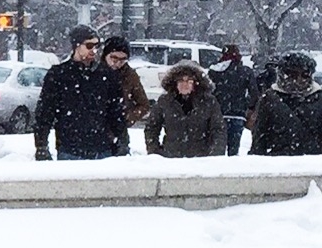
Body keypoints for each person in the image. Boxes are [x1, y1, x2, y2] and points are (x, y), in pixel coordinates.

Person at [34, 25, 127, 161]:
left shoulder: (107, 75)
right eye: (89, 45)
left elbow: (116, 112)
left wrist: (123, 141)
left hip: (102, 147)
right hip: (70, 148)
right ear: (76, 46)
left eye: (97, 46)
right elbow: (45, 112)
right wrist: (41, 145)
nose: (94, 50)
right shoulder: (58, 75)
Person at [143, 61, 225, 157]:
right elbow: (152, 127)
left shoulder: (209, 102)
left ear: (196, 83)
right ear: (174, 83)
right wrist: (155, 153)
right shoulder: (165, 101)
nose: (184, 84)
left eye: (189, 81)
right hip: (171, 159)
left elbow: (218, 130)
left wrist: (214, 155)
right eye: (180, 81)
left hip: (201, 160)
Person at [249, 52, 322, 155]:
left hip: (312, 165)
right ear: (282, 74)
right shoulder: (269, 99)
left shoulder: (319, 98)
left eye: (304, 75)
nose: (298, 80)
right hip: (279, 164)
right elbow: (259, 138)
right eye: (292, 74)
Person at [102, 36, 149, 154]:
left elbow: (143, 104)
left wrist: (127, 118)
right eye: (114, 58)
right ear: (106, 55)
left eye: (123, 60)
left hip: (119, 133)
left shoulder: (130, 75)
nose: (117, 63)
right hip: (96, 132)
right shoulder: (95, 72)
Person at [208, 44, 258, 154]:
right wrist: (248, 107)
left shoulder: (214, 70)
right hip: (238, 115)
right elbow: (254, 93)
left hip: (218, 114)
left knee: (217, 149)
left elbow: (208, 92)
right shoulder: (246, 71)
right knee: (234, 150)